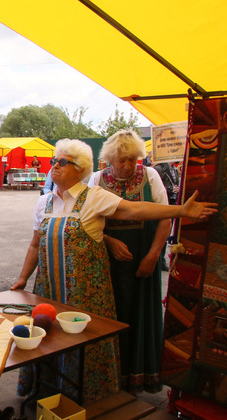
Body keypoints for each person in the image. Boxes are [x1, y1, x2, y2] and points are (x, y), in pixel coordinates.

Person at [10, 138, 217, 403]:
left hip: (86, 294)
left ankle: (84, 397)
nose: (55, 166)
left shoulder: (94, 197)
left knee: (82, 341)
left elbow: (135, 209)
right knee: (48, 336)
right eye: (54, 161)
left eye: (63, 162)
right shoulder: (44, 203)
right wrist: (23, 278)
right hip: (48, 290)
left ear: (80, 169)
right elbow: (35, 244)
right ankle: (47, 390)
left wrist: (181, 210)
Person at [88, 130, 170, 394]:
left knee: (141, 312)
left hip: (144, 258)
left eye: (132, 159)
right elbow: (86, 220)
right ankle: (109, 376)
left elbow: (165, 217)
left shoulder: (151, 176)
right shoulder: (97, 179)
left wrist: (153, 256)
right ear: (110, 159)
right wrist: (109, 241)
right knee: (111, 314)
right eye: (121, 160)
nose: (127, 166)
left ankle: (141, 374)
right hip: (108, 262)